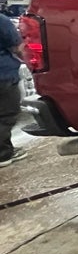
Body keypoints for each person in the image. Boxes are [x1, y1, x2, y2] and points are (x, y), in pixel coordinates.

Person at [0, 14, 27, 168]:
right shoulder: (2, 21)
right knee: (6, 115)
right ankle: (3, 154)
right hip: (3, 76)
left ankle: (6, 148)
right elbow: (17, 46)